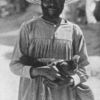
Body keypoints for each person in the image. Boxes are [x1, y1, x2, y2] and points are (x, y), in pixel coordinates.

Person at [10, 0, 94, 100]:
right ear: (41, 2)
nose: (52, 4)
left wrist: (70, 81)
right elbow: (15, 65)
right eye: (47, 0)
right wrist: (39, 71)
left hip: (63, 94)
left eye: (57, 0)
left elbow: (85, 67)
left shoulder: (74, 31)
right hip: (33, 93)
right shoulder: (28, 28)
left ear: (63, 2)